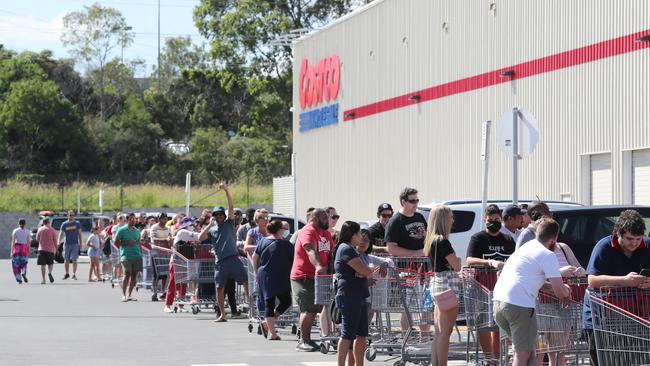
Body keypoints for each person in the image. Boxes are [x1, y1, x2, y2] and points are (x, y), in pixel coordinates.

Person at [493, 218, 570, 366]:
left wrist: (558, 289)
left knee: (530, 351)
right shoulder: (547, 255)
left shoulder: (527, 247)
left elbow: (536, 281)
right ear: (554, 239)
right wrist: (567, 291)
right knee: (523, 353)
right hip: (519, 305)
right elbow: (560, 291)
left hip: (499, 303)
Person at [581, 209, 650, 366]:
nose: (634, 243)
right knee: (604, 361)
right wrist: (625, 281)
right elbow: (592, 280)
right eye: (629, 238)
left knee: (637, 360)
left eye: (638, 239)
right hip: (601, 320)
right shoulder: (604, 247)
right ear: (618, 234)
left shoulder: (647, 245)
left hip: (636, 319)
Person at [465, 204, 516, 362]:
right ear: (485, 220)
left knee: (499, 325)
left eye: (497, 219)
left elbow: (515, 260)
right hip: (483, 288)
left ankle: (497, 359)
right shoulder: (478, 238)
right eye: (490, 220)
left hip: (503, 289)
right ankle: (490, 359)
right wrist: (490, 262)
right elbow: (470, 260)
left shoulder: (507, 239)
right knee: (485, 325)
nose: (494, 222)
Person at [198, 182, 249, 322]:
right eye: (217, 215)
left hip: (233, 259)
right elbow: (200, 237)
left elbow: (231, 206)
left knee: (245, 282)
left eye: (221, 214)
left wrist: (226, 190)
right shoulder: (213, 230)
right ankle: (222, 314)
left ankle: (252, 309)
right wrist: (210, 224)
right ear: (214, 216)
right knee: (219, 288)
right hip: (220, 262)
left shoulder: (229, 223)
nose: (220, 216)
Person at [290, 208, 335, 352]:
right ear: (315, 219)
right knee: (308, 309)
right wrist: (318, 266)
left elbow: (331, 253)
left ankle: (307, 339)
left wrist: (332, 266)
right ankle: (303, 340)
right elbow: (310, 250)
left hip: (319, 278)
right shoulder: (308, 231)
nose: (327, 221)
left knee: (314, 309)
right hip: (303, 276)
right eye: (324, 219)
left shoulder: (326, 233)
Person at [385, 187, 428, 332]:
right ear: (403, 202)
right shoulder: (395, 221)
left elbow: (426, 237)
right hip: (405, 268)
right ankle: (407, 338)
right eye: (412, 201)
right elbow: (391, 248)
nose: (415, 203)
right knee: (407, 305)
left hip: (423, 268)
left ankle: (425, 338)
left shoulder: (420, 217)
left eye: (417, 200)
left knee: (424, 304)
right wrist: (414, 253)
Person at [424, 205, 462, 366]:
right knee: (446, 332)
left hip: (437, 283)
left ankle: (436, 363)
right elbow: (457, 265)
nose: (452, 220)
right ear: (443, 219)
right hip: (447, 285)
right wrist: (458, 260)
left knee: (439, 332)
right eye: (450, 217)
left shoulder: (432, 240)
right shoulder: (443, 241)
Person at [334, 221, 374, 366]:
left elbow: (365, 271)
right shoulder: (345, 249)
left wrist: (364, 271)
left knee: (362, 334)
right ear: (353, 235)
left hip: (360, 296)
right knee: (347, 335)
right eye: (359, 234)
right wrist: (364, 271)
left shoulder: (351, 249)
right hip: (349, 296)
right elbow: (366, 271)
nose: (361, 238)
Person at [252, 220, 294, 340]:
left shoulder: (263, 242)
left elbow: (255, 258)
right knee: (284, 301)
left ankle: (268, 322)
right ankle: (272, 333)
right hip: (280, 276)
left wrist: (256, 273)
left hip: (265, 275)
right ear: (280, 230)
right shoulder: (286, 245)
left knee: (272, 303)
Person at [164, 217, 202, 313]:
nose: (193, 227)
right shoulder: (182, 233)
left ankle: (180, 305)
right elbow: (199, 236)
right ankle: (167, 305)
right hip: (176, 261)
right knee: (173, 283)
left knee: (184, 284)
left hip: (185, 262)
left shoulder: (188, 236)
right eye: (191, 225)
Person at [115, 213, 142, 302]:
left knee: (134, 275)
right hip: (126, 256)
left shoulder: (137, 231)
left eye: (134, 219)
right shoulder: (121, 230)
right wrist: (124, 243)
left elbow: (139, 243)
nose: (133, 220)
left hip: (136, 255)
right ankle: (123, 295)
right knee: (127, 273)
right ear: (127, 220)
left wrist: (140, 255)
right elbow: (116, 242)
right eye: (131, 219)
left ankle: (129, 294)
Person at [149, 213, 171, 301]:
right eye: (163, 219)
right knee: (156, 275)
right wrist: (164, 240)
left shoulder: (168, 228)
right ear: (159, 219)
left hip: (165, 254)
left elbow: (169, 238)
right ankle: (154, 293)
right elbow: (153, 239)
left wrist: (170, 240)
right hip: (156, 254)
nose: (165, 220)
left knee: (165, 274)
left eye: (166, 219)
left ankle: (163, 292)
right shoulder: (154, 227)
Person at [58, 210, 82, 280]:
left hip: (75, 244)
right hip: (67, 244)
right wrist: (58, 241)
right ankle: (67, 273)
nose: (71, 217)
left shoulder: (77, 223)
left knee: (74, 259)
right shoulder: (64, 224)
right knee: (66, 259)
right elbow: (61, 233)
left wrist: (80, 243)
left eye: (72, 215)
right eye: (70, 215)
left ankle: (74, 274)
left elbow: (80, 234)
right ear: (67, 216)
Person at [36, 217, 57, 284]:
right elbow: (55, 240)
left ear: (43, 223)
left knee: (43, 265)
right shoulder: (52, 229)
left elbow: (37, 239)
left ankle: (43, 280)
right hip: (50, 249)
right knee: (50, 263)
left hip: (41, 249)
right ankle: (49, 273)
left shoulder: (40, 229)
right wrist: (56, 248)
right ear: (49, 222)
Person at [11, 218, 31, 284]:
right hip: (24, 248)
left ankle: (18, 277)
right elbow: (28, 242)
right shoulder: (27, 231)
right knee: (24, 262)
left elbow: (13, 242)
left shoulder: (15, 231)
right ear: (25, 224)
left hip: (17, 248)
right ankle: (23, 272)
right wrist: (28, 250)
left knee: (15, 264)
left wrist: (11, 251)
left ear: (18, 223)